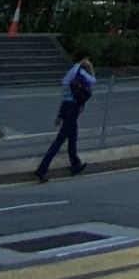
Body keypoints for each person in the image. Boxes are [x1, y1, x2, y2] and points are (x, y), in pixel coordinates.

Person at [36, 53, 96, 183]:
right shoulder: (79, 71)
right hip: (73, 108)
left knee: (73, 137)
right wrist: (90, 67)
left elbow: (65, 95)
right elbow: (93, 80)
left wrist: (60, 114)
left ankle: (75, 164)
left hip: (67, 107)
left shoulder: (70, 73)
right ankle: (42, 169)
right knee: (60, 140)